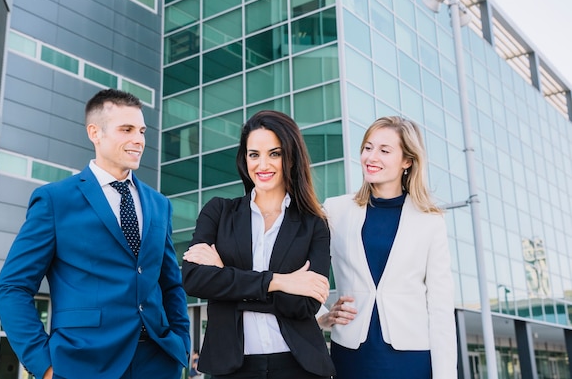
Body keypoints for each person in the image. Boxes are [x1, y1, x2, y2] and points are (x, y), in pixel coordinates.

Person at [0, 89, 191, 379]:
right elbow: (12, 287)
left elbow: (170, 284)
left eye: (141, 131)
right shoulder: (54, 200)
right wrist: (44, 365)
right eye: (127, 129)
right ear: (94, 133)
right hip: (82, 364)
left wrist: (181, 342)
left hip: (158, 361)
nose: (139, 140)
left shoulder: (159, 204)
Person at [182, 110, 335, 379]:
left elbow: (306, 305)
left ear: (291, 157)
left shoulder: (314, 222)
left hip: (299, 366)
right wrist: (281, 282)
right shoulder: (218, 212)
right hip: (232, 367)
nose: (263, 164)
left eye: (274, 153)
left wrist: (226, 277)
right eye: (254, 154)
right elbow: (195, 279)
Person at [317, 116, 457, 379]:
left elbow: (440, 307)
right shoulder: (336, 210)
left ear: (407, 160)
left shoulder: (430, 220)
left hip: (411, 358)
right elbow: (296, 261)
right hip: (351, 354)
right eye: (368, 147)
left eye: (384, 150)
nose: (371, 157)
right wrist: (321, 316)